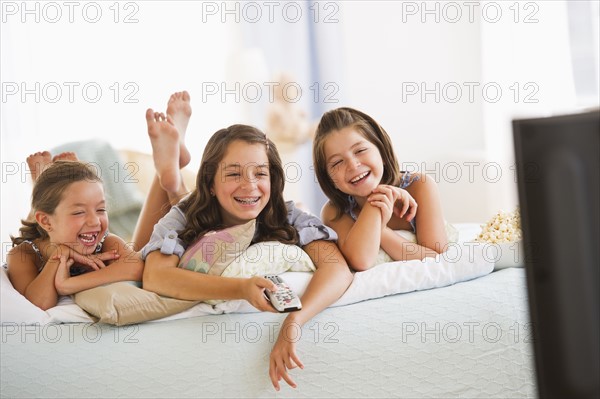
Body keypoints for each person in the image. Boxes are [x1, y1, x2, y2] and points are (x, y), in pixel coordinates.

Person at [139, 95, 353, 391]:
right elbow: (154, 276)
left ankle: (172, 175)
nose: (250, 185)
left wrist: (294, 324)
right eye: (234, 173)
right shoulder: (185, 215)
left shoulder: (288, 215)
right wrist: (239, 288)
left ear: (273, 179)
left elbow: (337, 268)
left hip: (205, 204)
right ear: (212, 182)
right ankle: (169, 178)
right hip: (191, 209)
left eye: (260, 173)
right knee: (136, 254)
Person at [5, 91, 194, 311]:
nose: (95, 222)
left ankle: (169, 161)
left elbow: (136, 267)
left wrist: (69, 284)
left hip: (57, 223)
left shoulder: (104, 241)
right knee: (149, 249)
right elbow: (38, 302)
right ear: (45, 222)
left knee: (149, 250)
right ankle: (45, 180)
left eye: (101, 209)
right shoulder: (24, 255)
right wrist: (59, 256)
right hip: (47, 229)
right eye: (79, 212)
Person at [312, 107, 449, 270]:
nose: (353, 165)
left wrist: (381, 231)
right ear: (329, 178)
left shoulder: (420, 185)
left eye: (360, 150)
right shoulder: (334, 211)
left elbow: (438, 258)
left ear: (382, 153)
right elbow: (361, 260)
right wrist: (375, 207)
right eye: (337, 162)